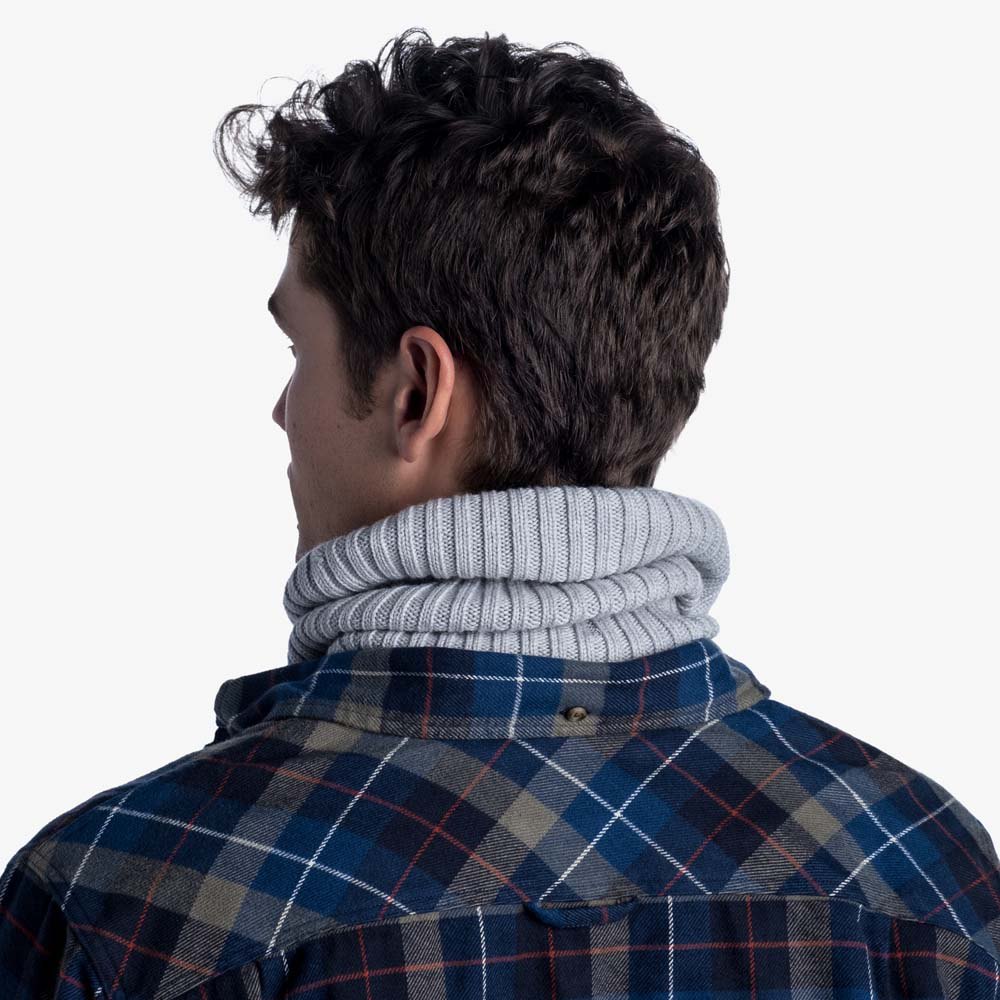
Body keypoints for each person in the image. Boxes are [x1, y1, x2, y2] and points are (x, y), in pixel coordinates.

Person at [2, 26, 997, 999]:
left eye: (297, 350)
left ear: (415, 393)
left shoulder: (125, 909)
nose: (281, 410)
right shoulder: (926, 876)